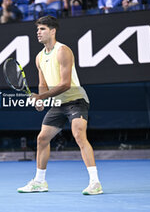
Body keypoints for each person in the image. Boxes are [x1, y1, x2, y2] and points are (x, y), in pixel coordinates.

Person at [17, 16, 103, 195]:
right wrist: (40, 101)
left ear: (53, 31)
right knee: (42, 139)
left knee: (79, 134)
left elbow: (65, 84)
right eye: (37, 30)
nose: (38, 33)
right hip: (58, 103)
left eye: (42, 29)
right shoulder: (39, 57)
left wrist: (42, 96)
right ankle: (40, 182)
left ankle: (95, 182)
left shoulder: (63, 50)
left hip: (76, 100)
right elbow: (43, 85)